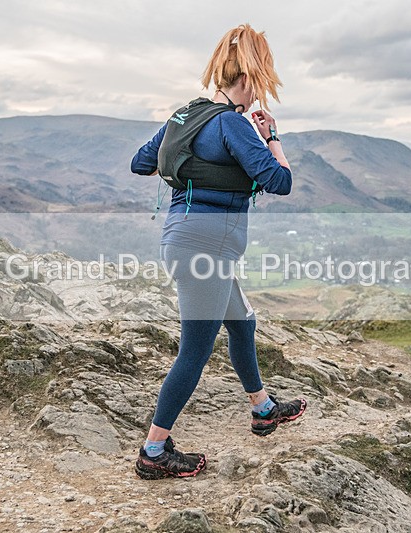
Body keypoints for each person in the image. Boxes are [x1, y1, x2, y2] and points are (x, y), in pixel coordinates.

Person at [130, 24, 306, 480]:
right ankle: (153, 450)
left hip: (185, 239)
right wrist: (271, 136)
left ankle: (263, 408)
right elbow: (280, 181)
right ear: (249, 78)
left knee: (242, 322)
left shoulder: (186, 117)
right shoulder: (233, 123)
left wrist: (199, 173)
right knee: (194, 351)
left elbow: (141, 162)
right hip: (205, 249)